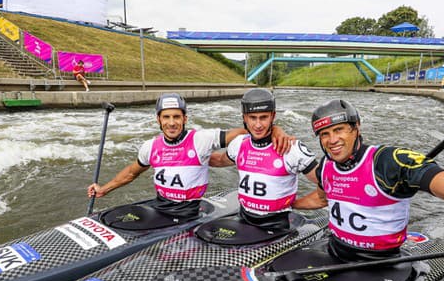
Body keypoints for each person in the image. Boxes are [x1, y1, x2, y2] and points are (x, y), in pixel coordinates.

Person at [292, 99, 444, 261]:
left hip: (380, 261)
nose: (332, 140)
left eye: (339, 130)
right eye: (325, 134)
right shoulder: (326, 165)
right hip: (336, 250)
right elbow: (323, 197)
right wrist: (289, 205)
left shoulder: (390, 161)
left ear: (356, 128)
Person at [87, 93, 293, 219]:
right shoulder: (150, 147)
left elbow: (244, 131)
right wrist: (104, 189)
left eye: (177, 116)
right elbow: (131, 173)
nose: (172, 122)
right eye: (166, 117)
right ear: (158, 119)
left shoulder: (201, 139)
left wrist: (276, 130)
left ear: (185, 118)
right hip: (160, 206)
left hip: (190, 213)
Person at [209, 88, 318, 230]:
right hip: (244, 217)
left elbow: (329, 184)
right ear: (244, 118)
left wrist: (296, 203)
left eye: (264, 117)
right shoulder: (239, 143)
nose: (258, 125)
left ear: (273, 116)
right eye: (253, 118)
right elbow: (218, 160)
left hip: (276, 225)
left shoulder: (291, 148)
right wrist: (187, 153)